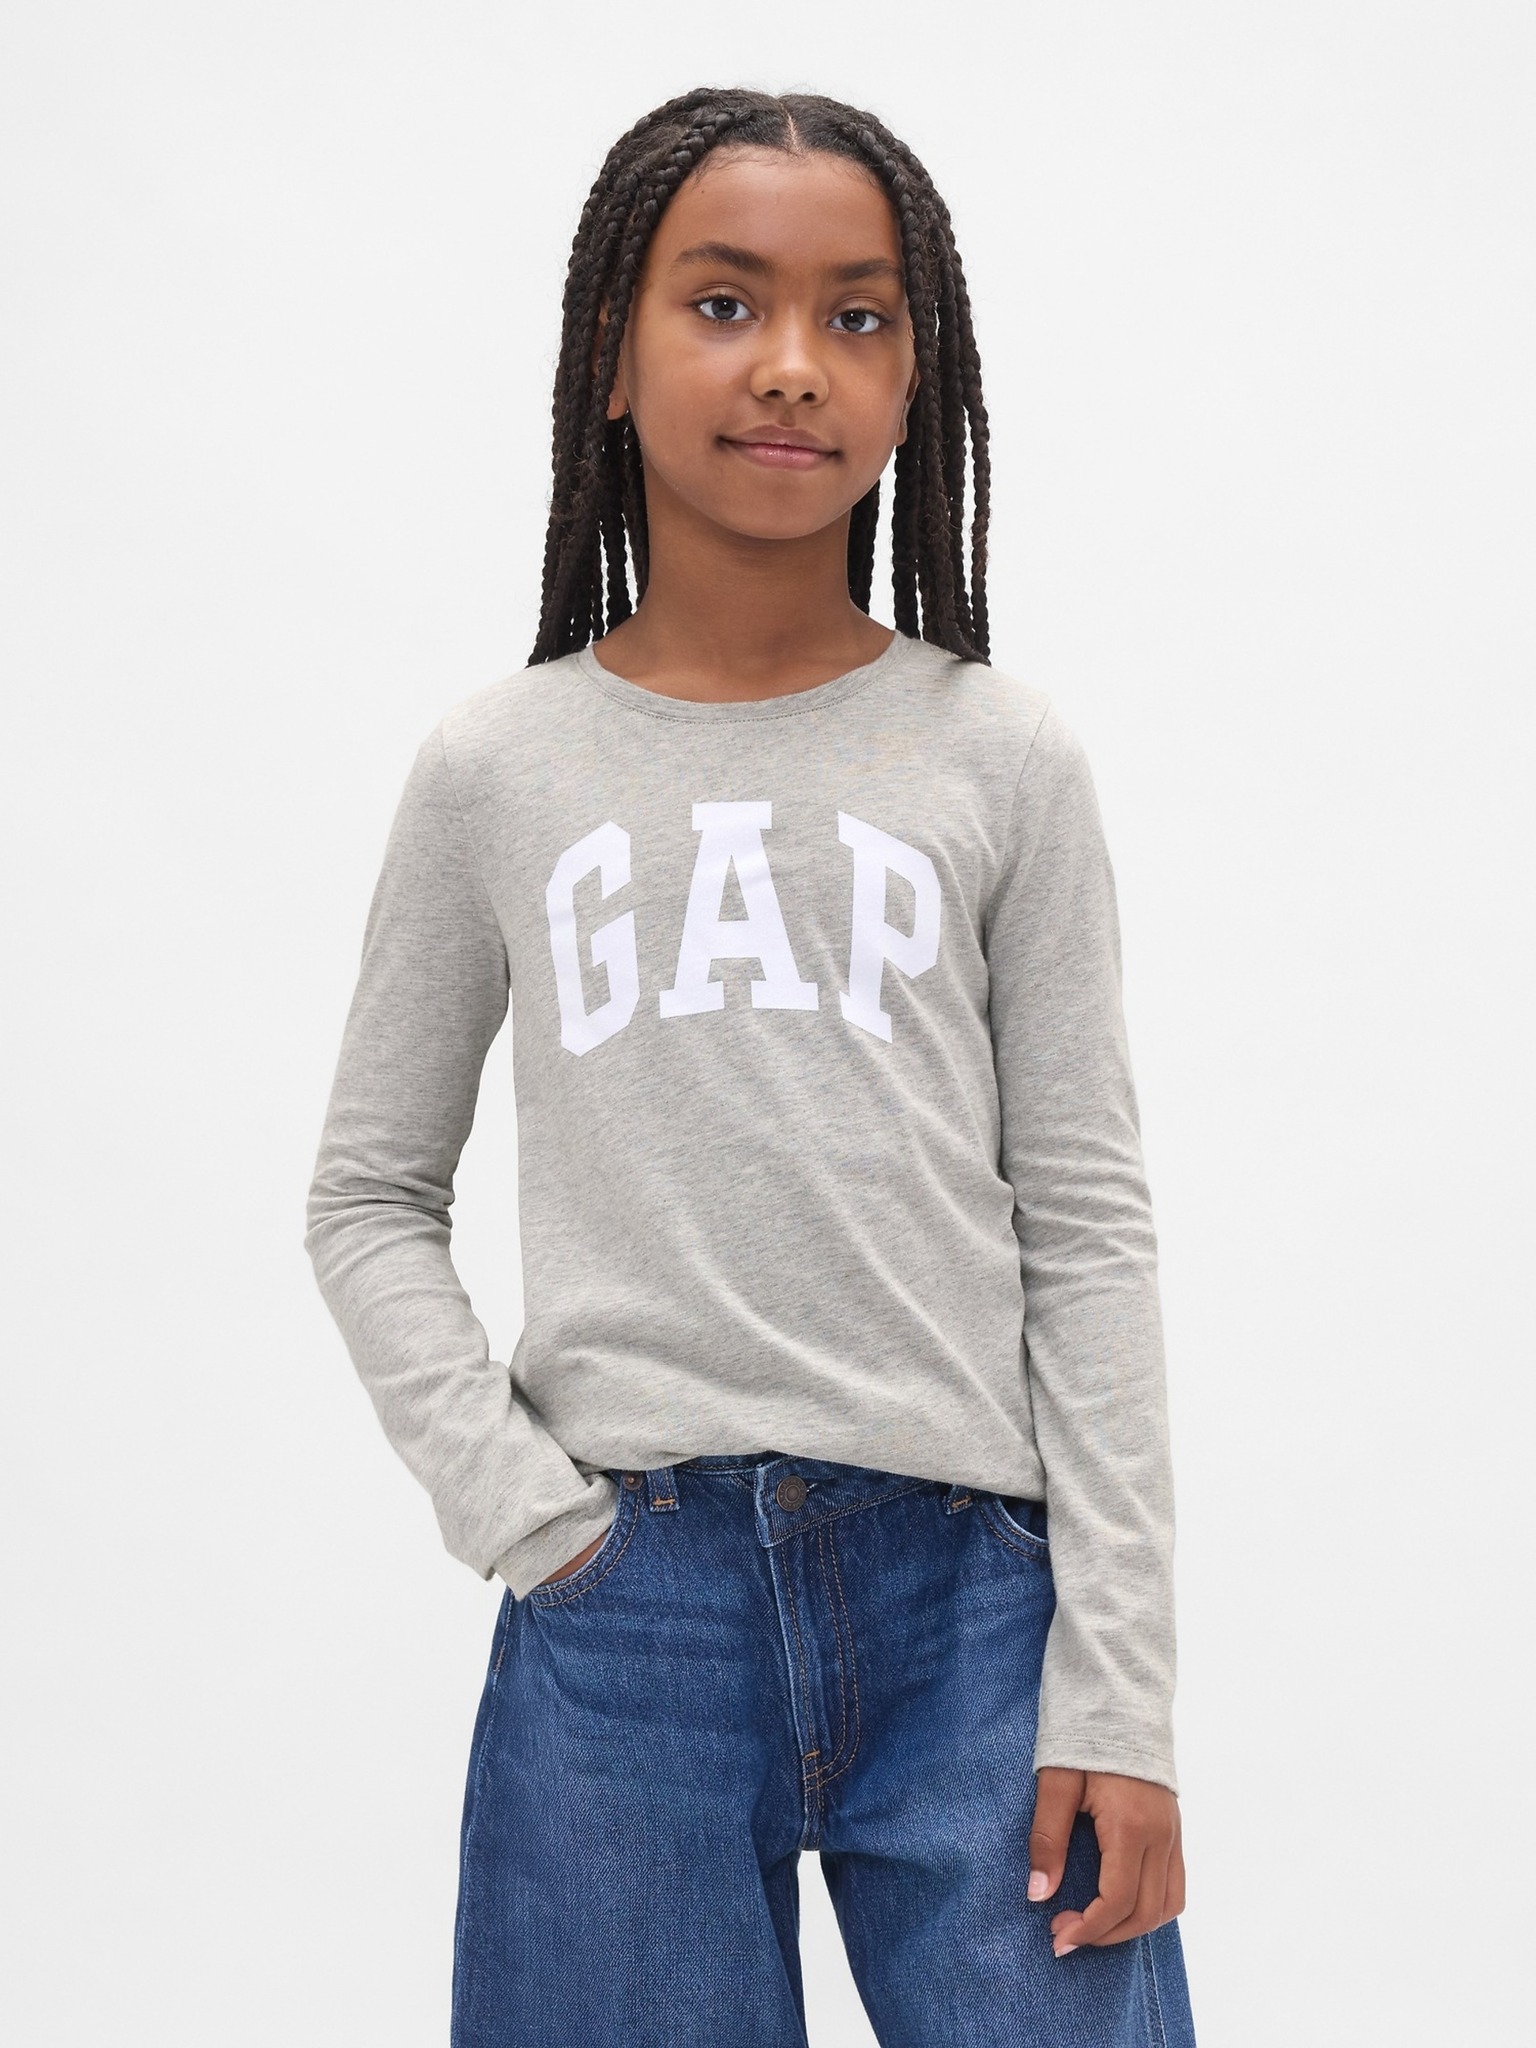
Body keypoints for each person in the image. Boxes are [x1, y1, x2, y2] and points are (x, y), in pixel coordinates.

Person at [304, 85, 1197, 2048]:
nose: (793, 363)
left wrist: (1120, 1692)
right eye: (724, 303)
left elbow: (1088, 1222)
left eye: (857, 316)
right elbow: (367, 1191)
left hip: (975, 1609)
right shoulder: (496, 770)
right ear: (609, 355)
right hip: (624, 1611)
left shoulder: (1002, 757)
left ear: (914, 380)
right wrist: (531, 1520)